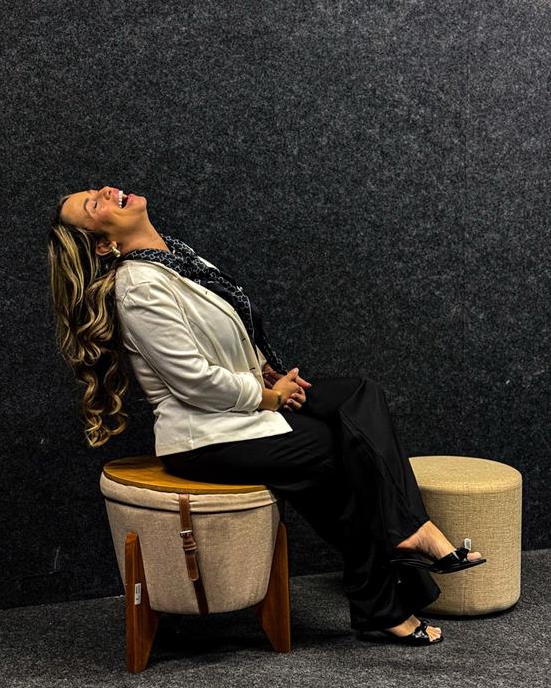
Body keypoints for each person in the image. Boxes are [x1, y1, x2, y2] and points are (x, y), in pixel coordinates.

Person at [47, 184, 486, 647]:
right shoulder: (138, 286)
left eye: (94, 190)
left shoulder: (174, 255)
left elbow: (231, 332)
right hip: (208, 437)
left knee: (360, 396)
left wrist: (266, 370)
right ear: (103, 245)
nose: (105, 191)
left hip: (244, 404)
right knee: (338, 452)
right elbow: (194, 382)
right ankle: (386, 592)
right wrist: (270, 397)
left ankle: (407, 535)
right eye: (93, 204)